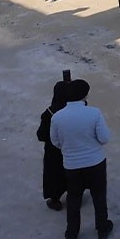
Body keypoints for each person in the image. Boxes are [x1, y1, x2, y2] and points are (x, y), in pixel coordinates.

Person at [49, 80, 113, 239]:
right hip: (95, 162)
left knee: (74, 199)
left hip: (72, 165)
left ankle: (72, 234)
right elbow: (104, 138)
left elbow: (55, 141)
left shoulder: (57, 117)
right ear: (85, 95)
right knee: (99, 196)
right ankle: (102, 228)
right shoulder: (94, 113)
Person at [36, 79, 71, 211]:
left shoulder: (49, 114)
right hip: (71, 150)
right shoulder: (74, 111)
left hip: (53, 152)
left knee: (54, 176)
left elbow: (41, 135)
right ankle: (73, 195)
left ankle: (55, 200)